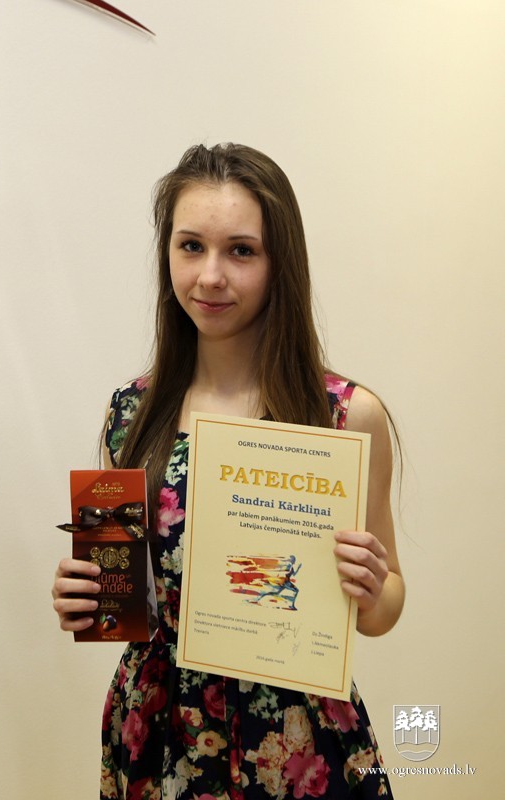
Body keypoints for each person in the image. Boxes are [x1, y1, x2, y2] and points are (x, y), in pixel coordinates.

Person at [52, 143, 405, 799]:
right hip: (160, 728)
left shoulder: (345, 416)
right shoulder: (131, 413)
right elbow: (124, 608)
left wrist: (371, 587)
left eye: (241, 250)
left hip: (294, 735)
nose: (210, 276)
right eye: (191, 246)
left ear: (280, 263)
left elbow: (384, 609)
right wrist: (90, 597)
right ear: (167, 254)